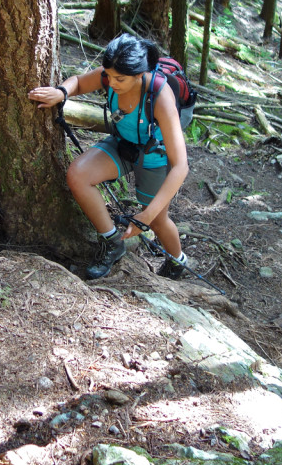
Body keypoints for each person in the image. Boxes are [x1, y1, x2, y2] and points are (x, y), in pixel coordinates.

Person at [28, 33, 190, 280]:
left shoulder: (160, 96)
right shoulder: (111, 73)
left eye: (120, 79)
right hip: (122, 144)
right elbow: (80, 82)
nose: (111, 82)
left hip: (153, 155)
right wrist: (62, 92)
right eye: (109, 75)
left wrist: (145, 217)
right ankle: (112, 242)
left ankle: (177, 261)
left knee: (157, 220)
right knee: (78, 175)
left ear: (139, 74)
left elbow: (180, 166)